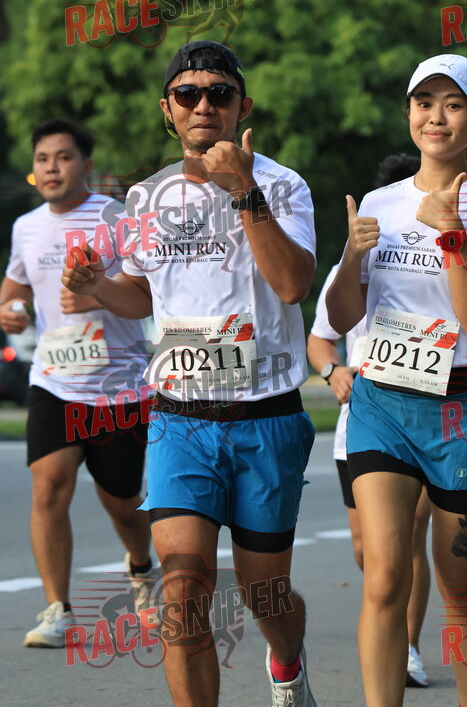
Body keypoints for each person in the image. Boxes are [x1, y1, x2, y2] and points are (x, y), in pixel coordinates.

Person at [61, 41, 318, 707]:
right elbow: (141, 295)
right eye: (188, 93)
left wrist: (242, 190)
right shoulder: (145, 196)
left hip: (266, 417)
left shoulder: (282, 185)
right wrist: (96, 287)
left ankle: (287, 663)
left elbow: (293, 284)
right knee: (181, 595)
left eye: (219, 93)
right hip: (180, 419)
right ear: (167, 109)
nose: (203, 104)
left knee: (266, 595)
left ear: (242, 106)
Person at [326, 54, 467, 707]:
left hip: (464, 410)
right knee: (383, 578)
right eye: (423, 103)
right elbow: (340, 317)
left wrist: (452, 234)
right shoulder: (379, 202)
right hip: (382, 404)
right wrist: (351, 257)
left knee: (461, 587)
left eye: (453, 105)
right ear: (408, 111)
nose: (435, 117)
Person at [0, 118, 152, 648]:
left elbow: (145, 289)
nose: (51, 168)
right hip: (54, 380)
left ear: (85, 165)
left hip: (119, 385)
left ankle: (141, 565)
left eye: (63, 157)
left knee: (123, 503)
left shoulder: (116, 217)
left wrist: (96, 294)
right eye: (43, 159)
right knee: (47, 487)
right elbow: (16, 284)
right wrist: (10, 309)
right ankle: (58, 610)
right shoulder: (26, 226)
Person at [308, 154, 432, 689]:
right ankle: (389, 626)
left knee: (410, 538)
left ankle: (407, 647)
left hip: (429, 416)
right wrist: (332, 370)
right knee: (372, 553)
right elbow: (321, 338)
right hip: (363, 422)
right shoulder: (356, 259)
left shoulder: (447, 251)